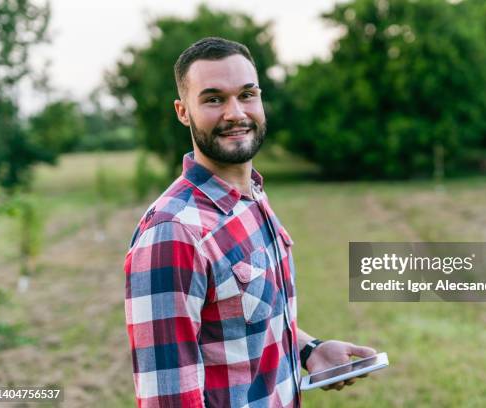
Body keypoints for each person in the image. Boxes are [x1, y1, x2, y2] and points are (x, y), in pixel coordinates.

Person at [124, 36, 375, 408]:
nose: (235, 113)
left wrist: (309, 351)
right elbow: (167, 399)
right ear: (182, 111)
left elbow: (243, 318)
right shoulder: (173, 233)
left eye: (246, 95)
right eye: (213, 99)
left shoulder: (251, 196)